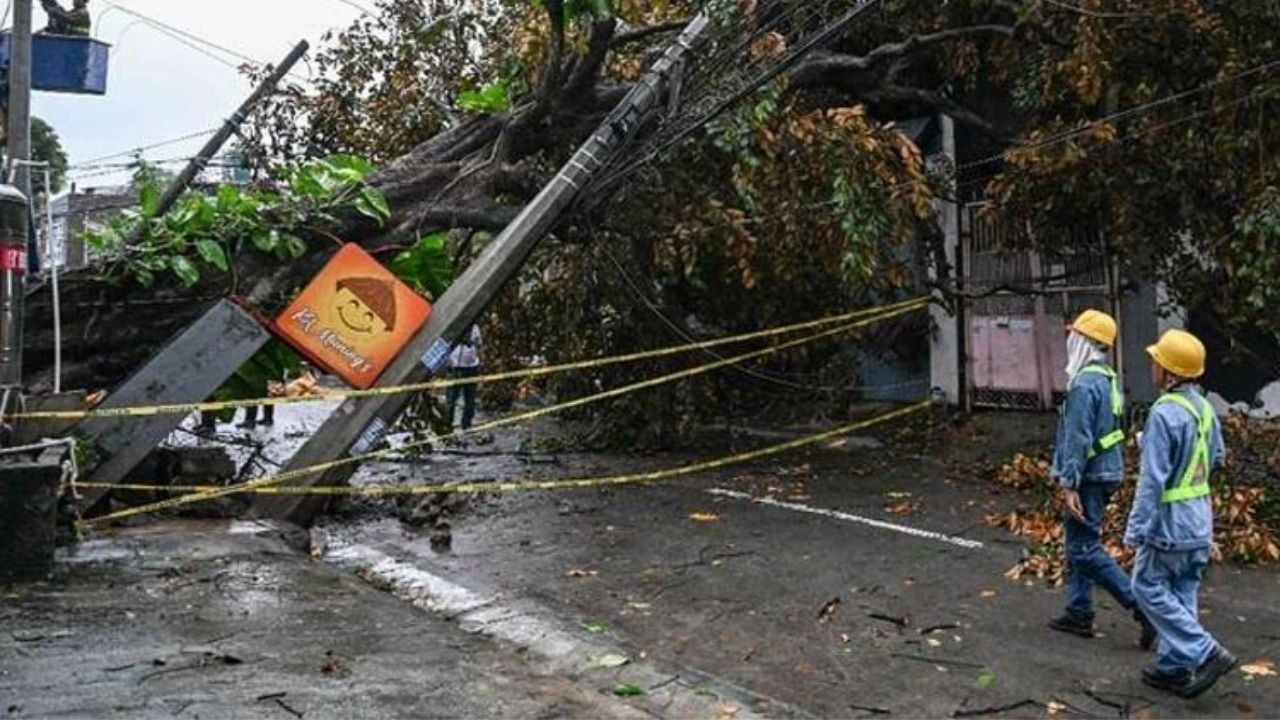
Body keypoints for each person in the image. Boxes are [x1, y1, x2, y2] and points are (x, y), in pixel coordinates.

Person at [1125, 329, 1236, 698]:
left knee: (1146, 586)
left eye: (1158, 360)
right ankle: (1174, 666)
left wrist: (1135, 530)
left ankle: (1205, 652)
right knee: (1182, 588)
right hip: (1199, 520)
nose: (1153, 365)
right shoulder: (1204, 409)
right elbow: (1216, 458)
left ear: (1170, 372)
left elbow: (1152, 481)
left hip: (1168, 523)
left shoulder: (1164, 413)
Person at [1048, 310, 1156, 650]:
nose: (1068, 341)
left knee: (1084, 548)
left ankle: (1141, 608)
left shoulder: (1082, 384)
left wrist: (1069, 483)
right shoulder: (1107, 378)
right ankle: (1079, 611)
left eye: (1073, 335)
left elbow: (1078, 437)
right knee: (1078, 543)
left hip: (1090, 475)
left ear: (1082, 341)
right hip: (1107, 470)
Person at [445, 325, 482, 431]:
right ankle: (447, 426)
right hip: (455, 367)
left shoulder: (475, 328)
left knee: (470, 399)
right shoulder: (454, 324)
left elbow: (479, 345)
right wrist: (447, 361)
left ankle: (467, 425)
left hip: (471, 367)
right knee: (451, 399)